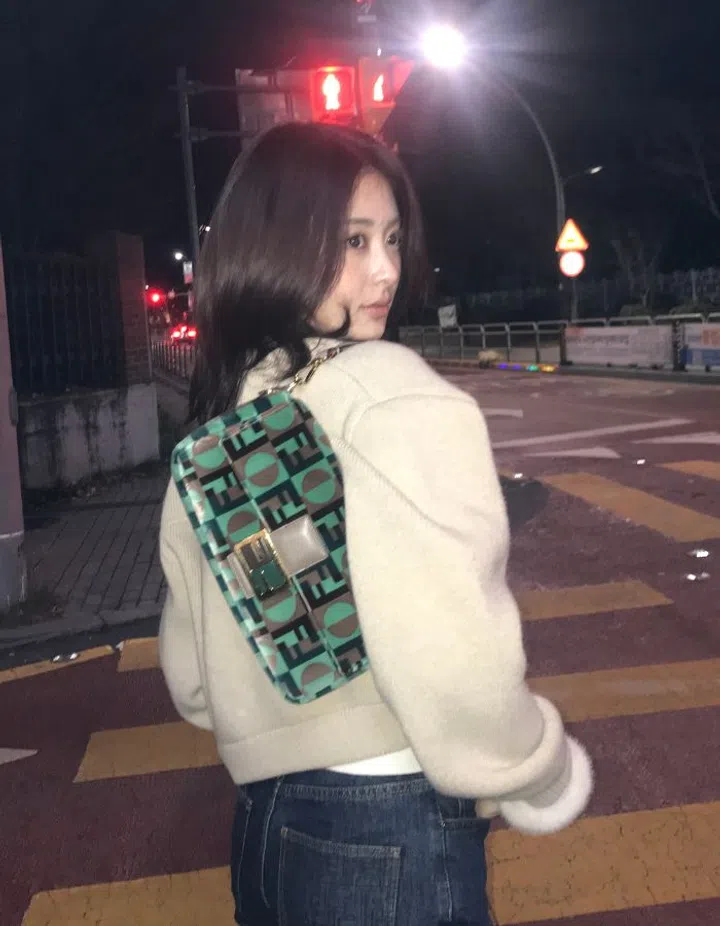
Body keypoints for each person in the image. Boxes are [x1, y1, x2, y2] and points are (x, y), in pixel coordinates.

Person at [158, 122, 593, 926]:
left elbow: (191, 677)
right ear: (280, 243)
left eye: (392, 239)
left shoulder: (230, 420)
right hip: (391, 827)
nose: (387, 269)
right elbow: (454, 643)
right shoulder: (386, 392)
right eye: (354, 241)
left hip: (268, 831)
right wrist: (539, 774)